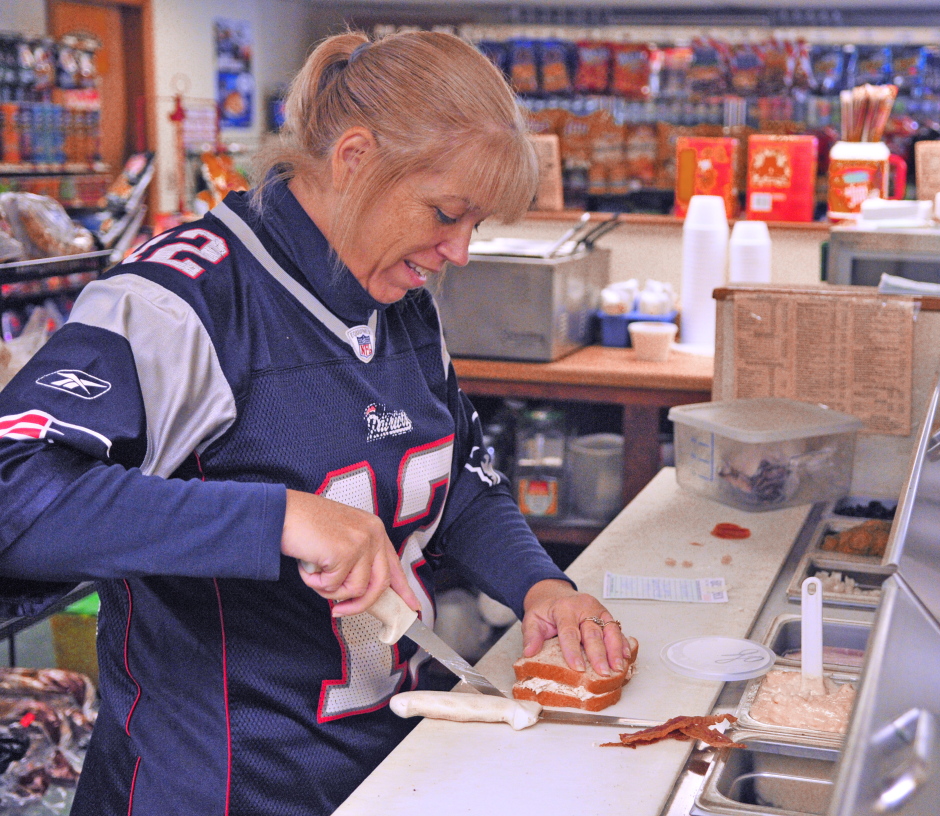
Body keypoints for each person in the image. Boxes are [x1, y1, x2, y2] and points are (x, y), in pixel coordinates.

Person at [0, 30, 631, 815]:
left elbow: (460, 475)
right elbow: (15, 496)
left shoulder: (399, 301)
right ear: (355, 157)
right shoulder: (182, 301)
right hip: (217, 788)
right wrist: (283, 518)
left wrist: (539, 586)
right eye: (445, 213)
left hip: (390, 763)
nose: (459, 252)